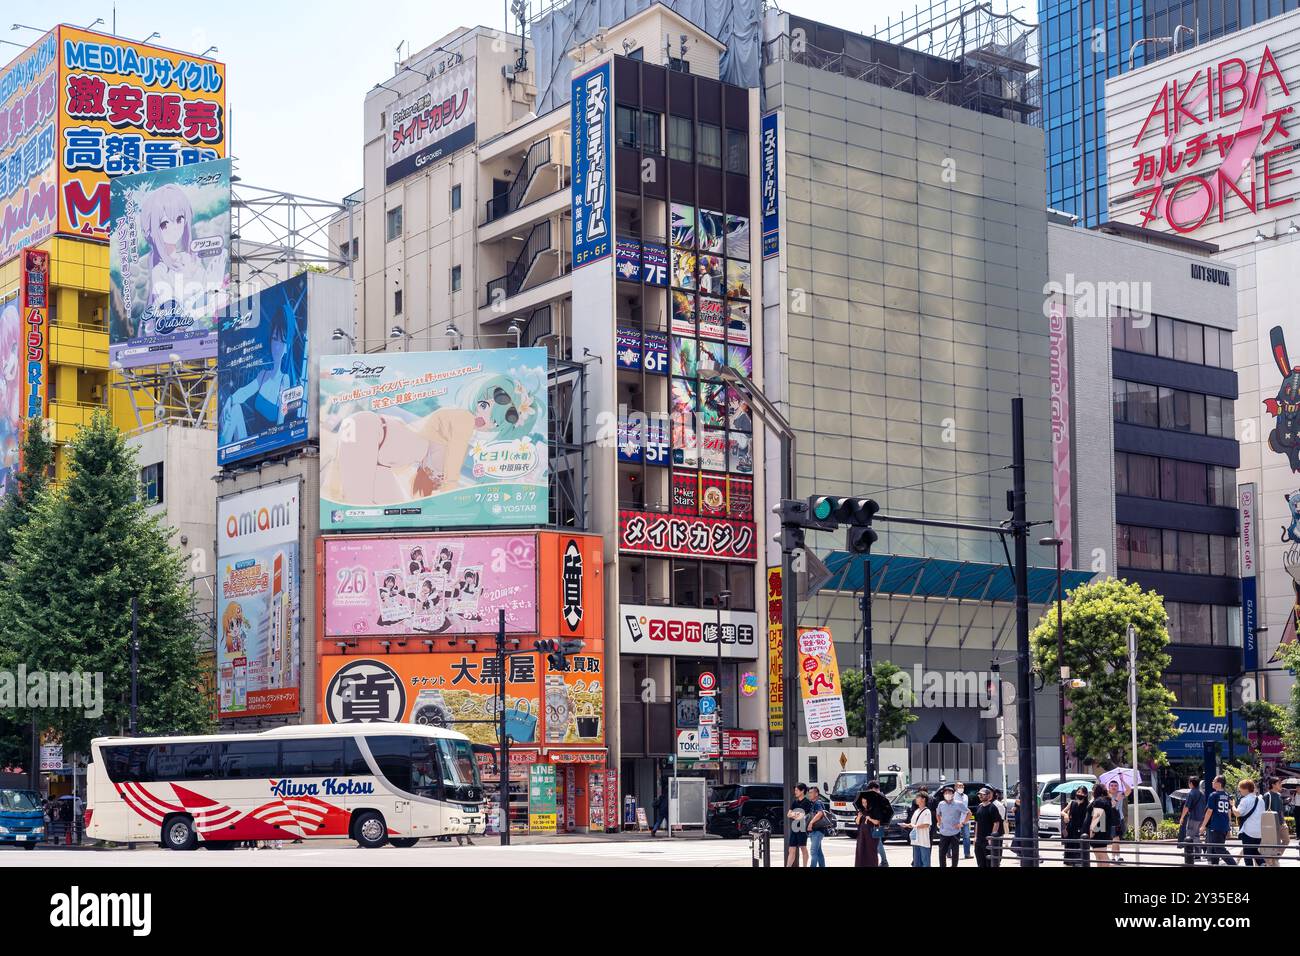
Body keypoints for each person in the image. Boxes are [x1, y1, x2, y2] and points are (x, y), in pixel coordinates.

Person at [1200, 776, 1237, 866]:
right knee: (1214, 849)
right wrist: (1229, 827)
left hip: (1216, 825)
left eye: (1214, 781)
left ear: (1219, 783)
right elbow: (1228, 811)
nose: (1212, 782)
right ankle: (1215, 864)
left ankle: (1234, 864)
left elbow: (1209, 811)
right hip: (1223, 825)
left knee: (1219, 849)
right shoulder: (1227, 795)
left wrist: (1203, 825)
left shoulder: (1213, 795)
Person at [854, 782, 892, 868]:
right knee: (877, 843)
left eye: (873, 790)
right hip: (867, 826)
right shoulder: (868, 798)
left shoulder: (880, 797)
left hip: (877, 824)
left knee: (876, 843)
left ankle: (884, 861)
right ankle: (884, 861)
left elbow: (884, 810)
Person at [1233, 779, 1264, 867]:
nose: (1240, 791)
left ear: (1246, 789)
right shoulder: (1260, 800)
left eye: (1240, 789)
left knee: (1247, 854)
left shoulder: (1245, 800)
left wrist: (1232, 805)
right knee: (1254, 851)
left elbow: (1237, 813)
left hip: (1248, 831)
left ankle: (1257, 864)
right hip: (1259, 832)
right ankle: (1262, 863)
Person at [1178, 775, 1206, 865]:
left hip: (1193, 817)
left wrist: (1182, 817)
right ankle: (1197, 854)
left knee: (1189, 836)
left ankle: (1189, 853)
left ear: (1191, 783)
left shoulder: (1191, 793)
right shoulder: (1202, 794)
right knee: (1196, 835)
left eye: (1189, 782)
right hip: (1200, 818)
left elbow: (1186, 807)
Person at [934, 785, 964, 868]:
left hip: (955, 832)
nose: (947, 794)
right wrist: (939, 822)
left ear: (953, 794)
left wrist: (962, 823)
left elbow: (968, 813)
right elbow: (938, 814)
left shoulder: (959, 804)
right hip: (944, 832)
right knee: (942, 853)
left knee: (955, 853)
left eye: (949, 793)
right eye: (946, 793)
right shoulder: (941, 804)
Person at [973, 787, 1003, 868]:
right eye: (979, 794)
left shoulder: (992, 807)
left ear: (989, 796)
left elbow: (996, 823)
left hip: (988, 840)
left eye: (983, 794)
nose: (980, 796)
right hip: (979, 840)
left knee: (989, 862)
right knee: (980, 862)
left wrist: (991, 838)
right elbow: (977, 822)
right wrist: (975, 837)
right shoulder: (979, 807)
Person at [1263, 777, 1287, 867]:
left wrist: (1284, 821)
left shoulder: (1279, 795)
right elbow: (1264, 811)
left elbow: (1281, 811)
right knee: (1273, 844)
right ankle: (1270, 861)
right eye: (1279, 783)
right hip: (1271, 824)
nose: (1280, 785)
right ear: (1273, 784)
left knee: (1286, 840)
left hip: (1280, 823)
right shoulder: (1267, 795)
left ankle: (1275, 859)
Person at [903, 792, 932, 867]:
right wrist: (907, 825)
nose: (916, 799)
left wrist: (914, 826)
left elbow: (926, 824)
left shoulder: (927, 811)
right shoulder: (916, 811)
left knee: (925, 862)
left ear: (923, 799)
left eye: (917, 797)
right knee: (916, 862)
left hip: (923, 841)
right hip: (915, 840)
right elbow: (913, 824)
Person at [1087, 783, 1113, 867]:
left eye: (1093, 790)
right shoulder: (1104, 800)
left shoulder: (1099, 801)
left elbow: (1096, 816)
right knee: (1099, 855)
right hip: (1102, 830)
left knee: (1101, 855)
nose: (1092, 792)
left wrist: (1092, 830)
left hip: (1099, 830)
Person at [786, 783, 812, 867]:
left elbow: (803, 815)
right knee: (791, 849)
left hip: (802, 828)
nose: (795, 792)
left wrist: (795, 814)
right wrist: (797, 814)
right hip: (794, 827)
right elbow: (788, 814)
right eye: (795, 790)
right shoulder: (795, 802)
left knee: (803, 848)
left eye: (797, 790)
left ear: (802, 791)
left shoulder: (807, 802)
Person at [1064, 786, 1091, 867]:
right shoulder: (1072, 803)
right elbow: (1063, 811)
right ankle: (1070, 863)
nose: (1080, 794)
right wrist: (1065, 815)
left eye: (1082, 793)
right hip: (1071, 828)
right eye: (1079, 792)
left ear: (1086, 794)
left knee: (1080, 848)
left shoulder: (1088, 805)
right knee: (1070, 848)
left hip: (1082, 829)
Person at [807, 785, 830, 868]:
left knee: (813, 852)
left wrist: (811, 823)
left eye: (811, 793)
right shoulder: (813, 803)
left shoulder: (817, 802)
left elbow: (820, 813)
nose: (809, 794)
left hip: (818, 831)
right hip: (814, 831)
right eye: (809, 793)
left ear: (816, 794)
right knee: (818, 852)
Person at [1107, 779, 1127, 864]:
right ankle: (1113, 857)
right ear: (1109, 787)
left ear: (1118, 787)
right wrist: (1117, 799)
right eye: (1111, 786)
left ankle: (1117, 856)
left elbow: (1129, 790)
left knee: (1117, 838)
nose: (1114, 787)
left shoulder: (1120, 794)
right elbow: (1111, 805)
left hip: (1120, 819)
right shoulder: (1107, 796)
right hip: (1112, 820)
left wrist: (1122, 780)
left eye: (1115, 786)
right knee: (1115, 838)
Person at [954, 781, 973, 859]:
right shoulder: (953, 796)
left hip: (965, 820)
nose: (961, 788)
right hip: (956, 820)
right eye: (959, 786)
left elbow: (965, 807)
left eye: (962, 786)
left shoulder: (966, 796)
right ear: (955, 787)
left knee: (967, 837)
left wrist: (966, 818)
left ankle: (967, 853)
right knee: (954, 838)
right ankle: (949, 853)